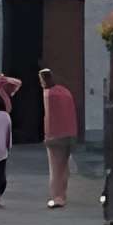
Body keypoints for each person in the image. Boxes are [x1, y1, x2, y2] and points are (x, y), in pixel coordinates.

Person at [39, 65, 77, 209]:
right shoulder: (64, 91)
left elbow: (49, 117)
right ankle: (63, 194)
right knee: (64, 167)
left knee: (55, 168)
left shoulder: (48, 93)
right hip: (69, 133)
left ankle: (57, 197)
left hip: (55, 135)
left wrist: (47, 136)